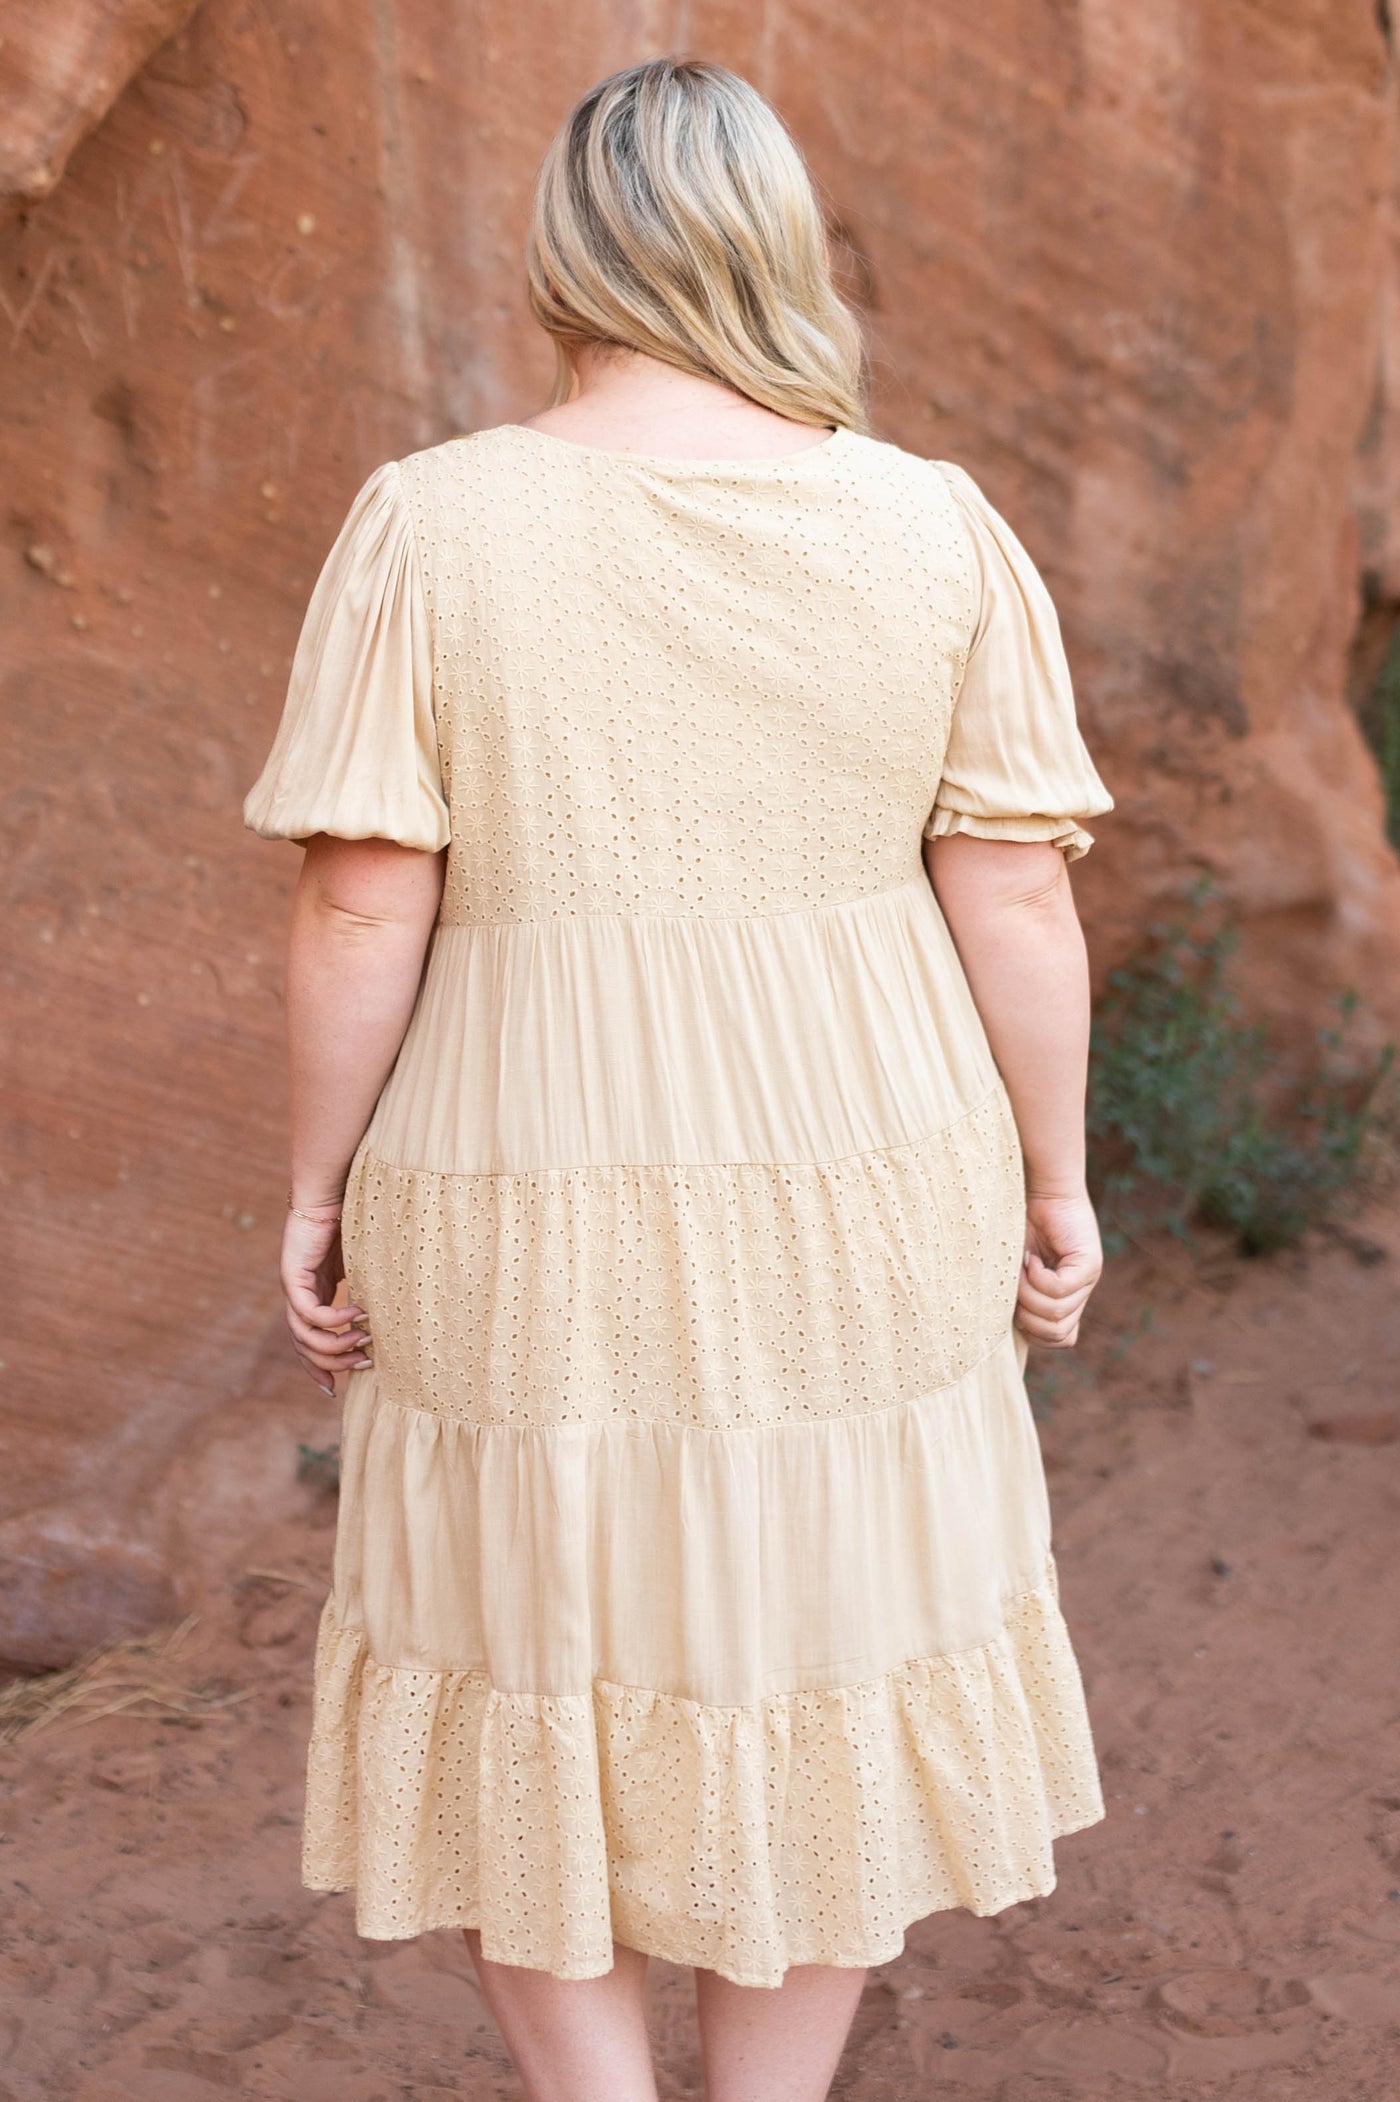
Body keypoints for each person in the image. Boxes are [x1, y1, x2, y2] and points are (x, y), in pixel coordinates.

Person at [243, 55, 1113, 2102]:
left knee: (523, 1636)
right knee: (811, 1641)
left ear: (564, 251)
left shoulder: (430, 525)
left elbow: (366, 906)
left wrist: (309, 1188)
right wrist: (1055, 1179)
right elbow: (1013, 897)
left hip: (519, 1164)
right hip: (868, 1162)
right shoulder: (931, 526)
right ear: (769, 243)